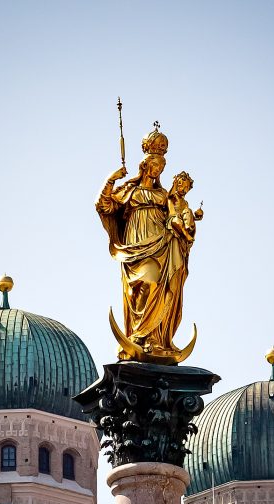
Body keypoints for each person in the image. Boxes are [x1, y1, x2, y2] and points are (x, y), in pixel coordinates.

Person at [95, 128, 193, 358]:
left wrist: (184, 224)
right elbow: (105, 205)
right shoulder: (130, 190)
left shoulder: (164, 196)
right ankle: (138, 334)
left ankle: (156, 339)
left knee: (164, 285)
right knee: (145, 283)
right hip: (136, 243)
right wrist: (112, 178)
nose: (158, 170)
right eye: (155, 166)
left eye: (161, 168)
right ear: (145, 167)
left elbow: (175, 214)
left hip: (161, 242)